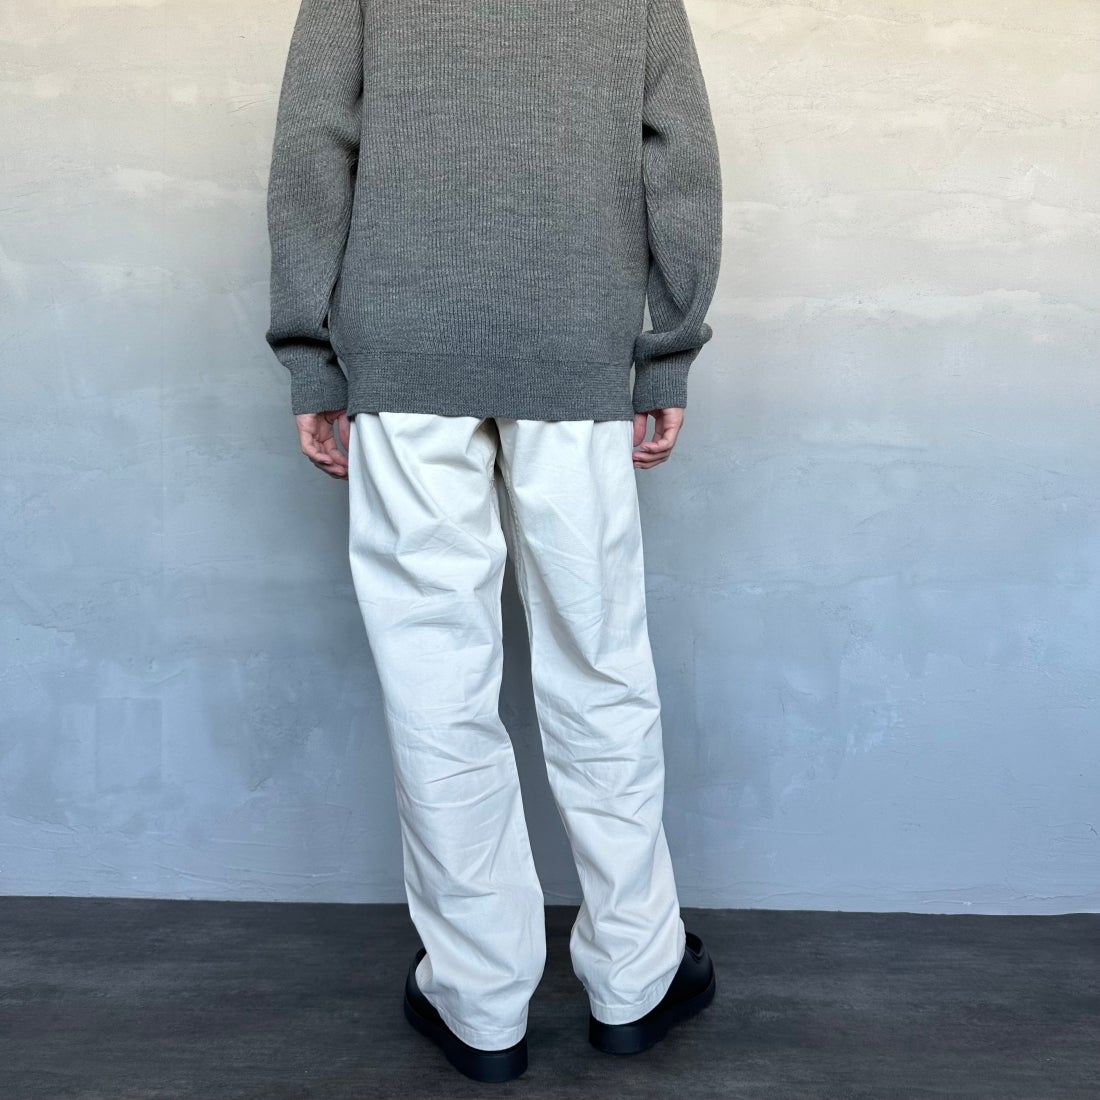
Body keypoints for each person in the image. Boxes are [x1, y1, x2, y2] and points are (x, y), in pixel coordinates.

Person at [264, 0, 723, 1083]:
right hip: (575, 344)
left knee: (437, 680)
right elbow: (681, 161)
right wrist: (664, 351)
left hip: (402, 350)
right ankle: (634, 975)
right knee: (600, 667)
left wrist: (311, 355)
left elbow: (311, 149)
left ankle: (478, 999)